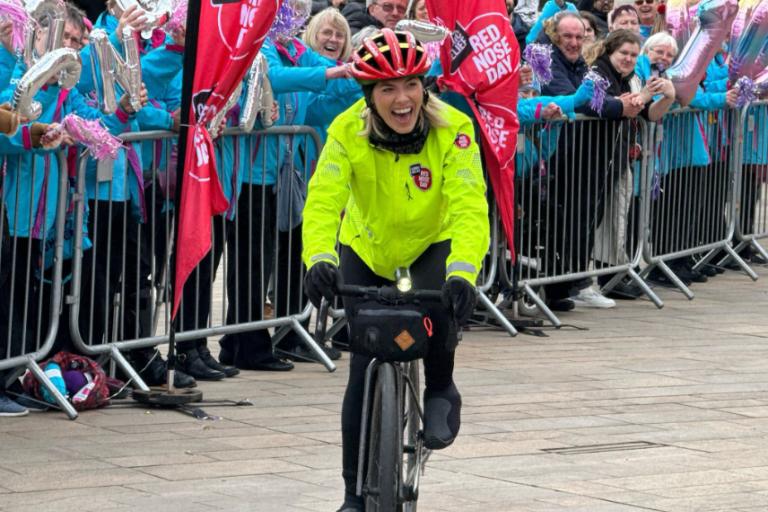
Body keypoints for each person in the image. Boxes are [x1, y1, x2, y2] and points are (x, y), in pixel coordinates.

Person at [302, 29, 489, 512]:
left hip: (432, 242)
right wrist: (318, 257)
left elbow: (470, 205)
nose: (401, 99)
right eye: (387, 89)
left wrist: (464, 272)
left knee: (440, 310)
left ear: (424, 87)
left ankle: (442, 385)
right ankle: (351, 495)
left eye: (410, 85)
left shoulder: (455, 128)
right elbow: (324, 198)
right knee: (361, 368)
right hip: (367, 248)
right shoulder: (346, 130)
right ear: (370, 97)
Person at [540, 12, 644, 310]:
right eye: (567, 36)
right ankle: (567, 285)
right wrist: (617, 106)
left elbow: (589, 99)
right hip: (561, 156)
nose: (573, 42)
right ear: (553, 35)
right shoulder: (548, 62)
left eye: (579, 36)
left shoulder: (581, 65)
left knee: (584, 221)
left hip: (588, 158)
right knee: (566, 223)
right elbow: (574, 100)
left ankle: (572, 284)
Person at [341, 0, 407, 34]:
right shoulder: (356, 33)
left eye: (401, 9)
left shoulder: (410, 36)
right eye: (387, 7)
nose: (395, 13)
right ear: (372, 10)